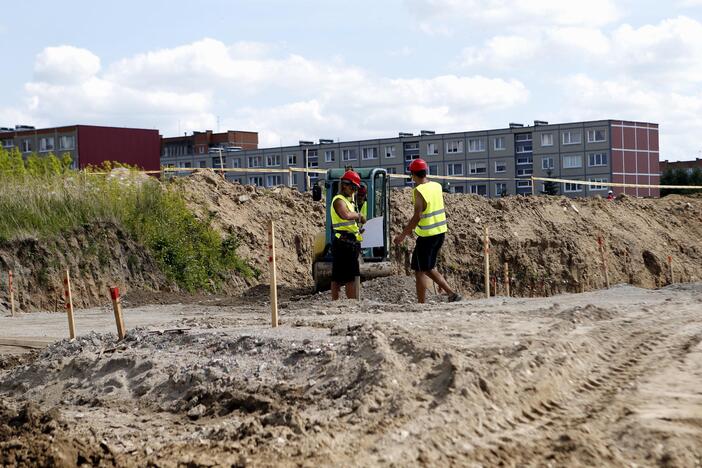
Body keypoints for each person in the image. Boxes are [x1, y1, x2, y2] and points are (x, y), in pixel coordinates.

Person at [393, 159, 462, 304]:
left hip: (427, 236)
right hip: (440, 233)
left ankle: (421, 303)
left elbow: (417, 216)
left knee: (420, 270)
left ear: (413, 174)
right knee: (428, 267)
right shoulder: (436, 186)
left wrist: (402, 235)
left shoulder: (419, 191)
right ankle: (451, 293)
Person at [330, 170, 366, 300]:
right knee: (348, 277)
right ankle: (350, 303)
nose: (354, 190)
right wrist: (359, 216)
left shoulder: (349, 201)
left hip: (349, 241)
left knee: (340, 275)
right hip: (343, 243)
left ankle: (338, 302)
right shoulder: (339, 200)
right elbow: (344, 215)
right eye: (353, 187)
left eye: (356, 188)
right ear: (344, 184)